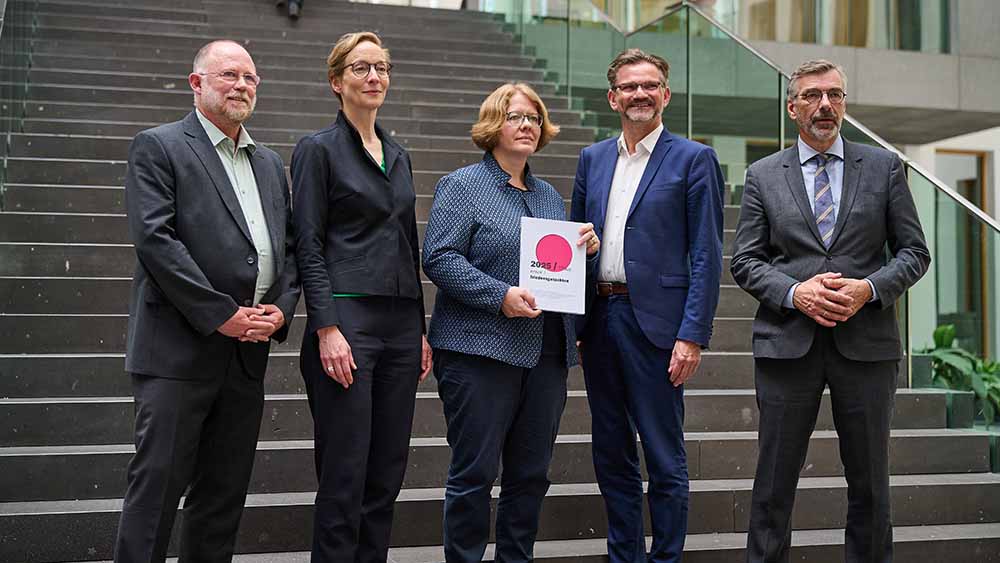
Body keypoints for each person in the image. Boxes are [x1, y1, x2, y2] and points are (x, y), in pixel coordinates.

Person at [730, 59, 930, 562]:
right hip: (787, 344)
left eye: (836, 95)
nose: (826, 105)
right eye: (815, 96)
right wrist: (796, 293)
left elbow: (914, 253)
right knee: (773, 486)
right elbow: (746, 261)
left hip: (866, 346)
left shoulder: (884, 166)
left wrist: (868, 288)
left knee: (870, 485)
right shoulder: (762, 174)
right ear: (793, 106)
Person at [115, 40, 299, 562]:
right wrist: (221, 315)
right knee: (155, 496)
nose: (242, 86)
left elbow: (287, 248)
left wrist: (282, 308)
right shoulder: (159, 145)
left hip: (245, 359)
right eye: (229, 76)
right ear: (196, 84)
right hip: (178, 353)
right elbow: (156, 242)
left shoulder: (268, 163)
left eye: (250, 78)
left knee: (221, 501)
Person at [422, 82, 600, 563]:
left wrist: (585, 254)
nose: (527, 126)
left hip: (545, 355)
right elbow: (438, 257)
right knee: (474, 474)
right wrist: (499, 296)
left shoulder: (546, 195)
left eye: (534, 119)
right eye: (515, 116)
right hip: (478, 353)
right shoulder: (463, 185)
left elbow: (553, 274)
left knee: (530, 475)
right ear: (492, 125)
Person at [569, 48, 724, 563]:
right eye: (630, 86)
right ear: (613, 97)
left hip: (658, 326)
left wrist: (693, 334)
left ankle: (666, 558)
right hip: (600, 318)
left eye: (650, 85)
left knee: (663, 456)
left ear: (666, 94)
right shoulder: (591, 159)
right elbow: (575, 240)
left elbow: (705, 253)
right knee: (611, 453)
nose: (640, 93)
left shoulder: (693, 158)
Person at [290, 31, 432, 563]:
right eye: (361, 68)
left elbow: (407, 244)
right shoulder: (317, 150)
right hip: (346, 319)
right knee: (345, 472)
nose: (374, 77)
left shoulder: (398, 153)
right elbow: (307, 243)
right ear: (336, 82)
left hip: (398, 324)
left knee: (387, 470)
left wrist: (418, 328)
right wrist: (325, 327)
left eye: (381, 68)